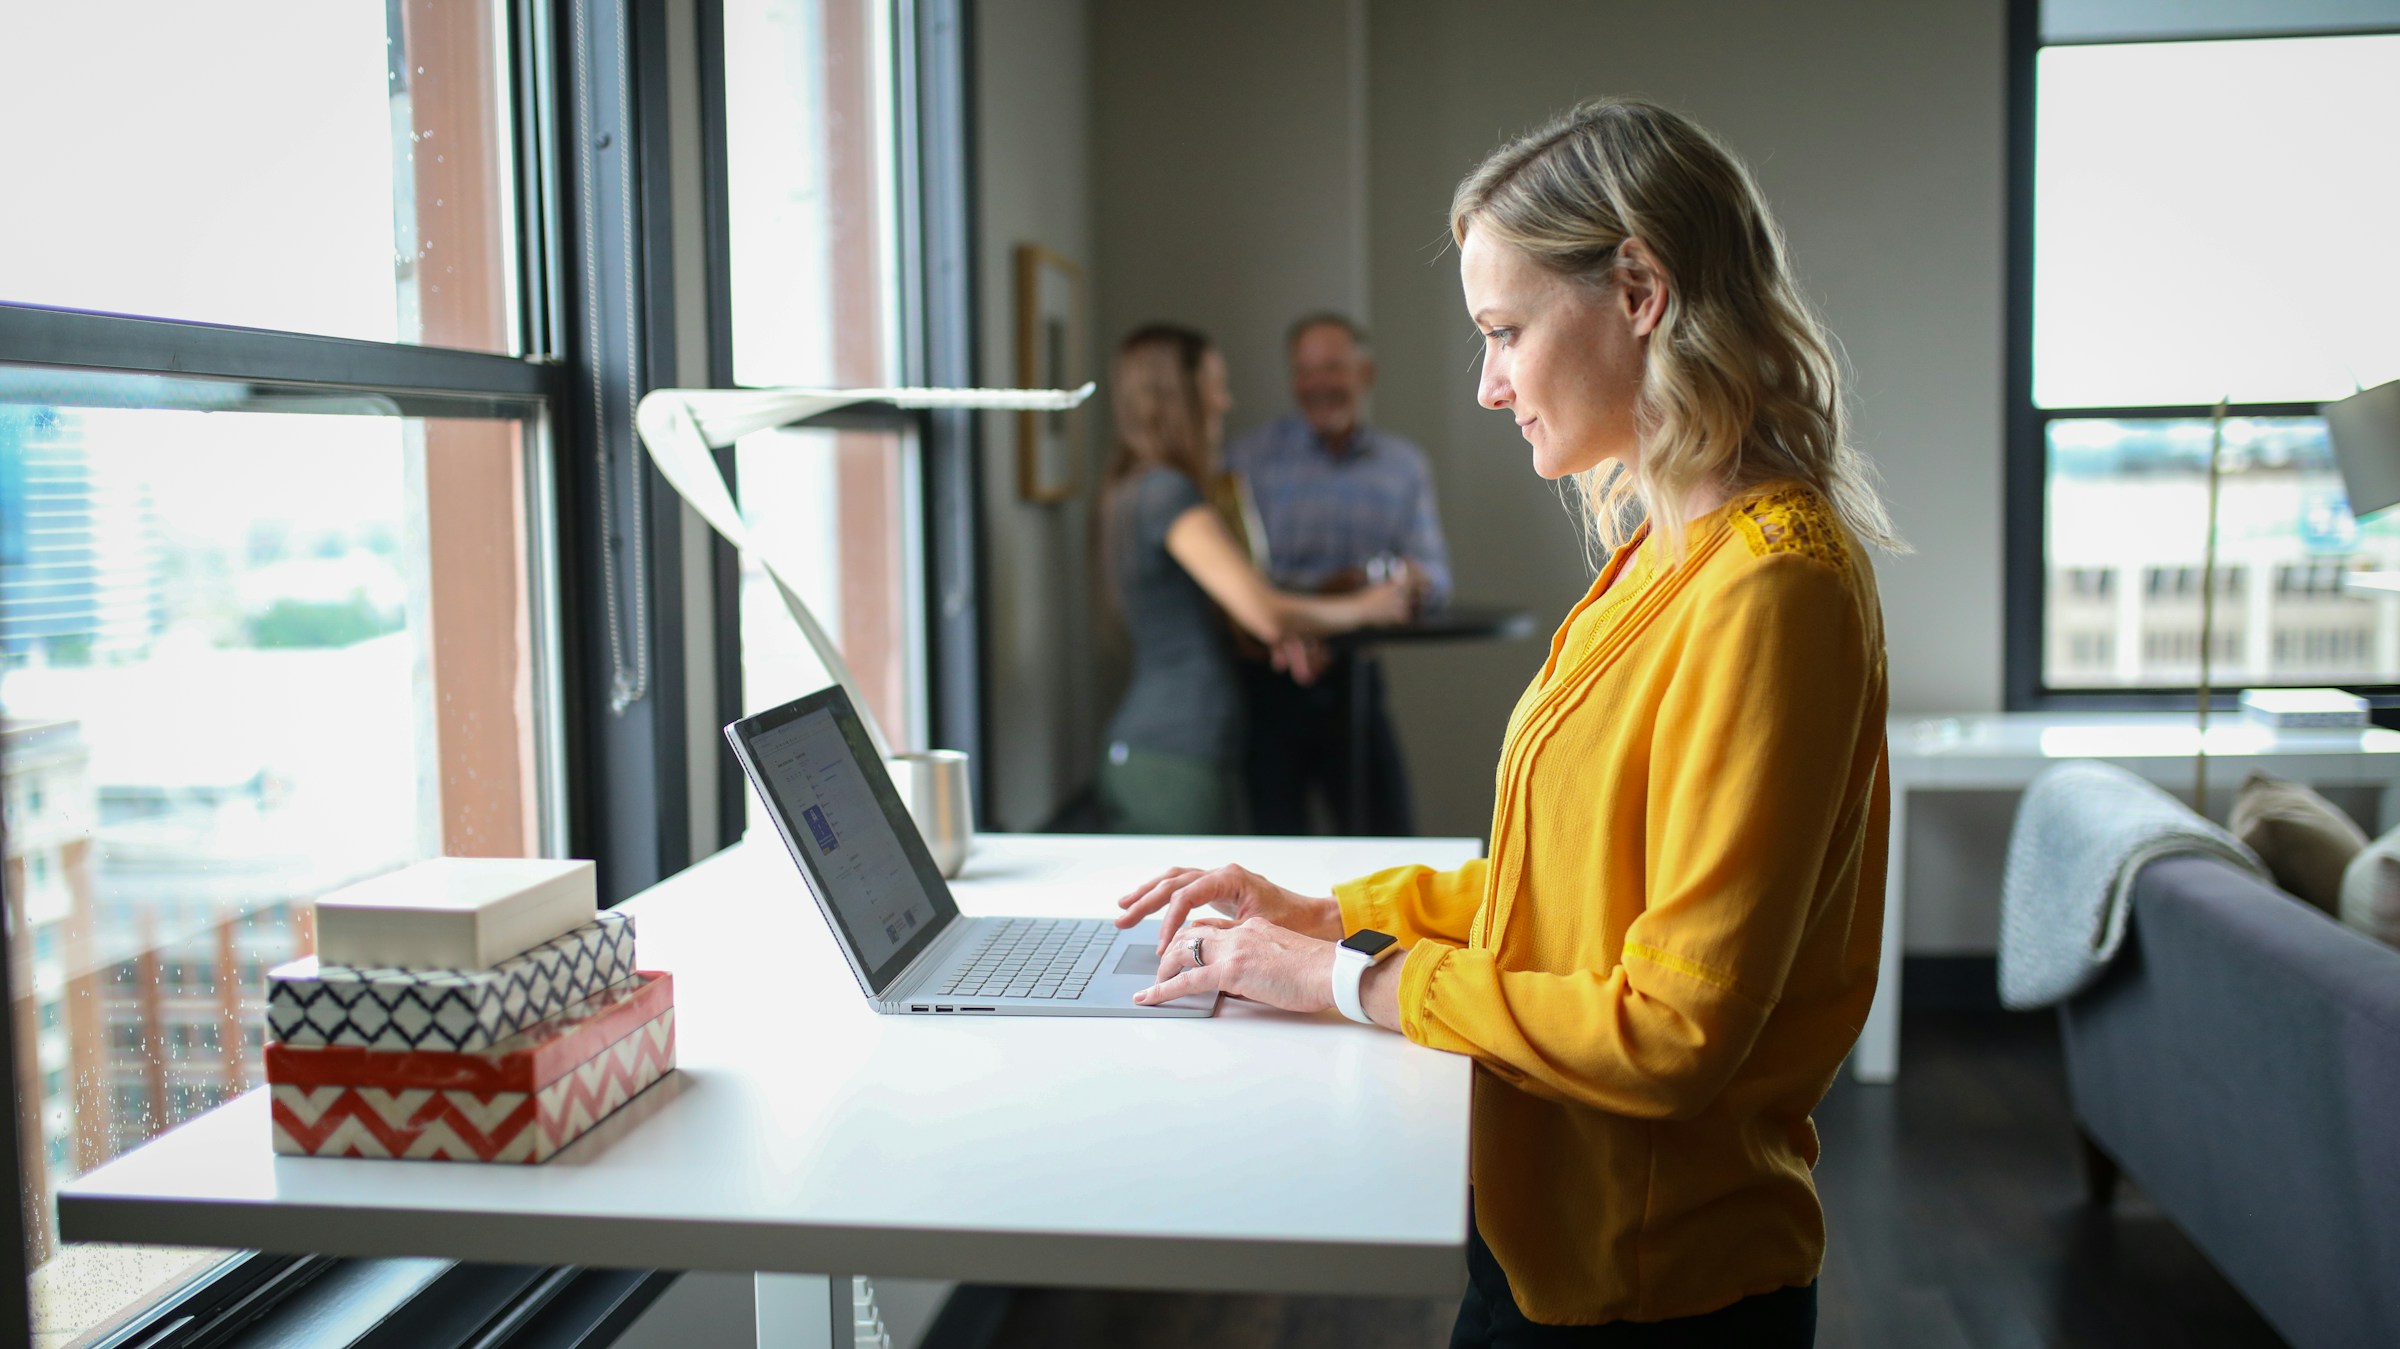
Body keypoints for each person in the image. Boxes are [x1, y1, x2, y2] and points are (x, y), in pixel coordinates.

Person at [1114, 97, 1904, 1345]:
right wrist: (1333, 914)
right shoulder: (1664, 555)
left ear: (1638, 287)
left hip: (1656, 1289)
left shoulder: (1773, 588)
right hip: (1544, 1237)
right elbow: (1570, 895)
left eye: (1505, 331)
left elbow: (1671, 1029)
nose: (1487, 384)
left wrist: (1348, 979)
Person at [1096, 323, 1412, 836]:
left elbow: (1224, 618)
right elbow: (1265, 610)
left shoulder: (1138, 487)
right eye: (1213, 386)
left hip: (1164, 752)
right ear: (1180, 397)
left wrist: (1279, 639)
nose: (1225, 402)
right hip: (1174, 755)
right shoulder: (1168, 494)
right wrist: (1369, 607)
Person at [1224, 314, 1453, 836]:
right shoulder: (1247, 460)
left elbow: (1437, 578)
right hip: (1269, 684)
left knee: (1390, 844)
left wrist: (1408, 585)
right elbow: (1239, 584)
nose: (1318, 385)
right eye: (1305, 372)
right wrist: (1334, 595)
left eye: (1332, 368)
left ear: (1365, 374)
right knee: (1275, 852)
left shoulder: (1403, 465)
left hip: (1357, 681)